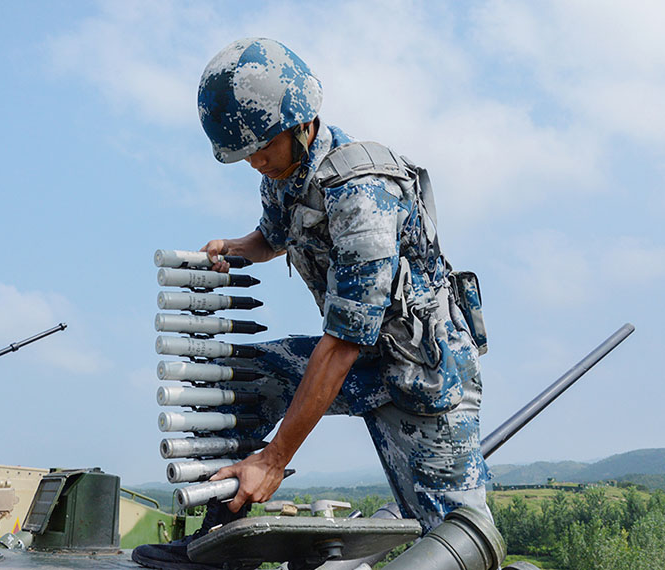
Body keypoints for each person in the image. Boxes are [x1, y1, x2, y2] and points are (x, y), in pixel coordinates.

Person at [132, 37, 491, 570]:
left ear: (301, 122)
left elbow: (342, 343)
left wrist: (274, 459)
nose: (255, 161)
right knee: (241, 378)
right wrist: (236, 249)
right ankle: (222, 536)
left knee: (458, 540)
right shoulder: (286, 173)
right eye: (245, 152)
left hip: (424, 375)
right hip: (363, 361)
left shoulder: (363, 193)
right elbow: (274, 236)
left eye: (262, 146)